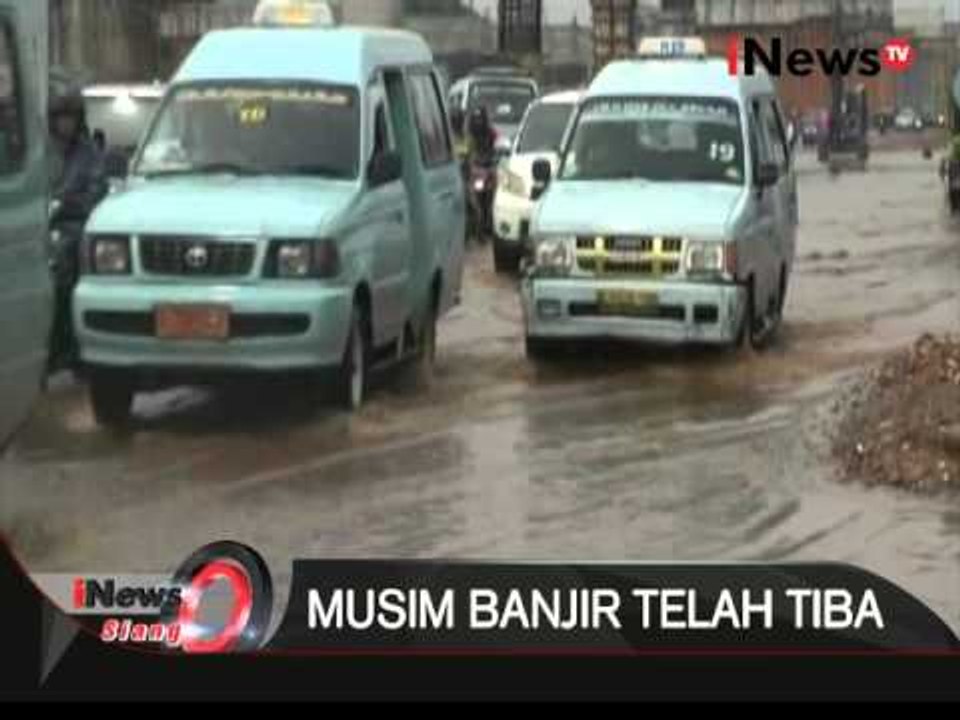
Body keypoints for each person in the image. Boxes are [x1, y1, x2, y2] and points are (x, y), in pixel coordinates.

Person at [48, 82, 105, 372]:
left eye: (70, 117)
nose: (65, 123)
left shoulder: (90, 153)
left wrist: (65, 203)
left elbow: (95, 194)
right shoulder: (41, 152)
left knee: (64, 265)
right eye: (60, 117)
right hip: (39, 226)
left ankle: (67, 347)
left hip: (73, 227)